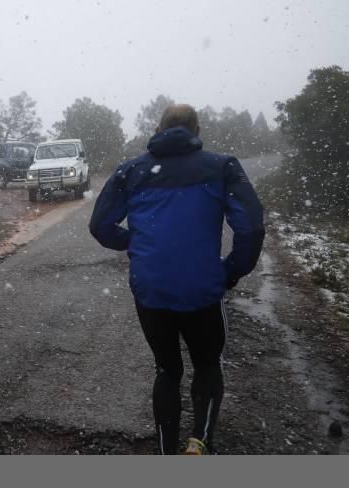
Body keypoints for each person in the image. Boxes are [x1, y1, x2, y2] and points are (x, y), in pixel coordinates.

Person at [89, 104, 264, 455]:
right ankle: (199, 443)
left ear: (157, 128)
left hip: (151, 289)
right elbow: (251, 226)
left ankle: (168, 452)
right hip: (202, 290)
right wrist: (231, 271)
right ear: (197, 131)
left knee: (167, 369)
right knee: (207, 363)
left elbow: (100, 225)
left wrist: (132, 243)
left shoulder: (131, 170)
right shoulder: (222, 167)